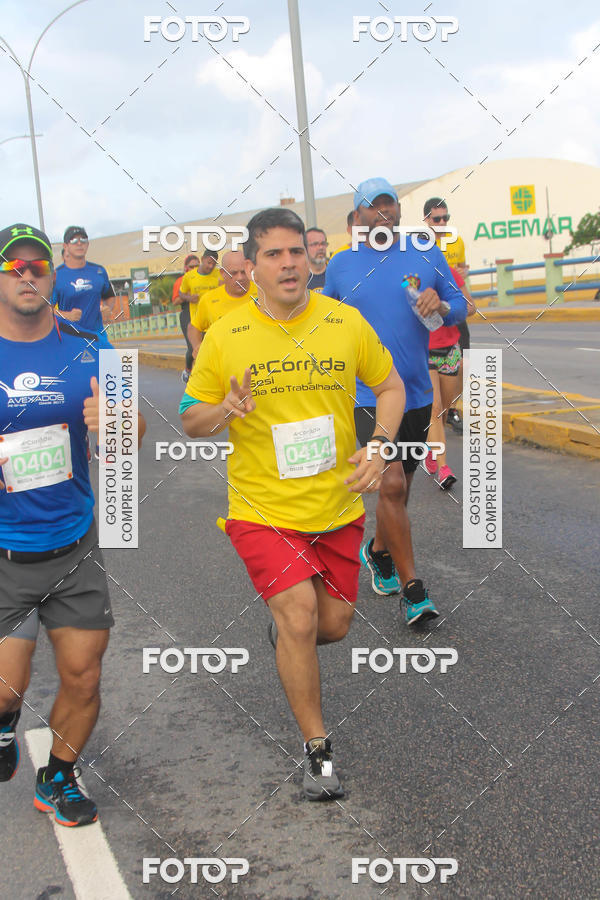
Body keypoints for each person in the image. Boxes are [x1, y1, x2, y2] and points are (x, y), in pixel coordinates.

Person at [180, 207, 404, 800]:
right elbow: (190, 421)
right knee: (299, 615)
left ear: (310, 258)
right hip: (261, 509)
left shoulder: (343, 321)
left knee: (332, 624)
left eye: (296, 253)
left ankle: (288, 639)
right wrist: (226, 407)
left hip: (336, 505)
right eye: (273, 255)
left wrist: (379, 445)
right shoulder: (228, 333)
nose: (288, 264)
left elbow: (390, 386)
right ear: (251, 267)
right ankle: (318, 752)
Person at [0, 223, 146, 826]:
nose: (28, 274)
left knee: (83, 678)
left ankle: (57, 775)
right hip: (4, 551)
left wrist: (113, 421)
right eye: (15, 267)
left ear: (53, 276)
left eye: (38, 266)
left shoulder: (90, 346)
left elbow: (134, 432)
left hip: (74, 544)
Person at [323, 177, 467, 624]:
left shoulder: (424, 252)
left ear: (398, 211)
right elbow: (321, 323)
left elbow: (461, 304)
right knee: (390, 486)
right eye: (373, 206)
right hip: (367, 396)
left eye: (389, 204)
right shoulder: (342, 266)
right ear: (358, 216)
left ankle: (378, 549)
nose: (383, 212)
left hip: (416, 394)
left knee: (399, 492)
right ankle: (414, 591)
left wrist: (439, 305)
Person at [424, 266, 476, 489]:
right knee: (434, 408)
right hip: (422, 349)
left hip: (449, 349)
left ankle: (431, 447)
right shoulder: (410, 277)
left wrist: (444, 307)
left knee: (444, 409)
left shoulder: (450, 274)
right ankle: (444, 469)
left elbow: (470, 308)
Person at [423, 198, 470, 433]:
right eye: (436, 219)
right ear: (426, 221)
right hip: (428, 338)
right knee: (434, 405)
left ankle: (452, 409)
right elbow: (406, 284)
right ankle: (435, 451)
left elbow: (463, 273)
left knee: (463, 364)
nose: (442, 223)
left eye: (445, 218)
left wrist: (458, 280)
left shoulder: (456, 242)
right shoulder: (419, 246)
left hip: (453, 315)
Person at [187, 249, 255, 357]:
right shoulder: (209, 300)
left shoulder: (263, 294)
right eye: (233, 273)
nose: (240, 278)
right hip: (223, 364)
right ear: (223, 273)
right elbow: (193, 327)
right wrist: (197, 347)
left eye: (243, 272)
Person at [53, 226, 115, 331]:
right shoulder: (56, 275)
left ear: (87, 244)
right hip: (70, 337)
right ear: (65, 246)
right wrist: (66, 315)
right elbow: (45, 309)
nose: (79, 243)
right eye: (73, 240)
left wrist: (107, 309)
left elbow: (110, 296)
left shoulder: (99, 271)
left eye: (83, 239)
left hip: (97, 336)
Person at [177, 250, 220, 382]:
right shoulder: (189, 277)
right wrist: (190, 298)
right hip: (195, 318)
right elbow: (181, 294)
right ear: (202, 259)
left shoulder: (219, 275)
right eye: (209, 263)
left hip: (213, 319)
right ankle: (188, 370)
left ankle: (209, 377)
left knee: (213, 348)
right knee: (193, 348)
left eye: (214, 264)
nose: (211, 266)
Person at [171, 253, 200, 382]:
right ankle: (188, 370)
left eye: (196, 266)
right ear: (185, 268)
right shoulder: (181, 281)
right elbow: (175, 301)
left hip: (203, 312)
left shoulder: (205, 279)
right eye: (191, 266)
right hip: (187, 313)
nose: (194, 269)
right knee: (193, 346)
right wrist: (187, 295)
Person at [305, 227, 328, 292]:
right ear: (305, 247)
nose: (320, 247)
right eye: (315, 244)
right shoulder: (299, 278)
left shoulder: (335, 274)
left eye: (323, 244)